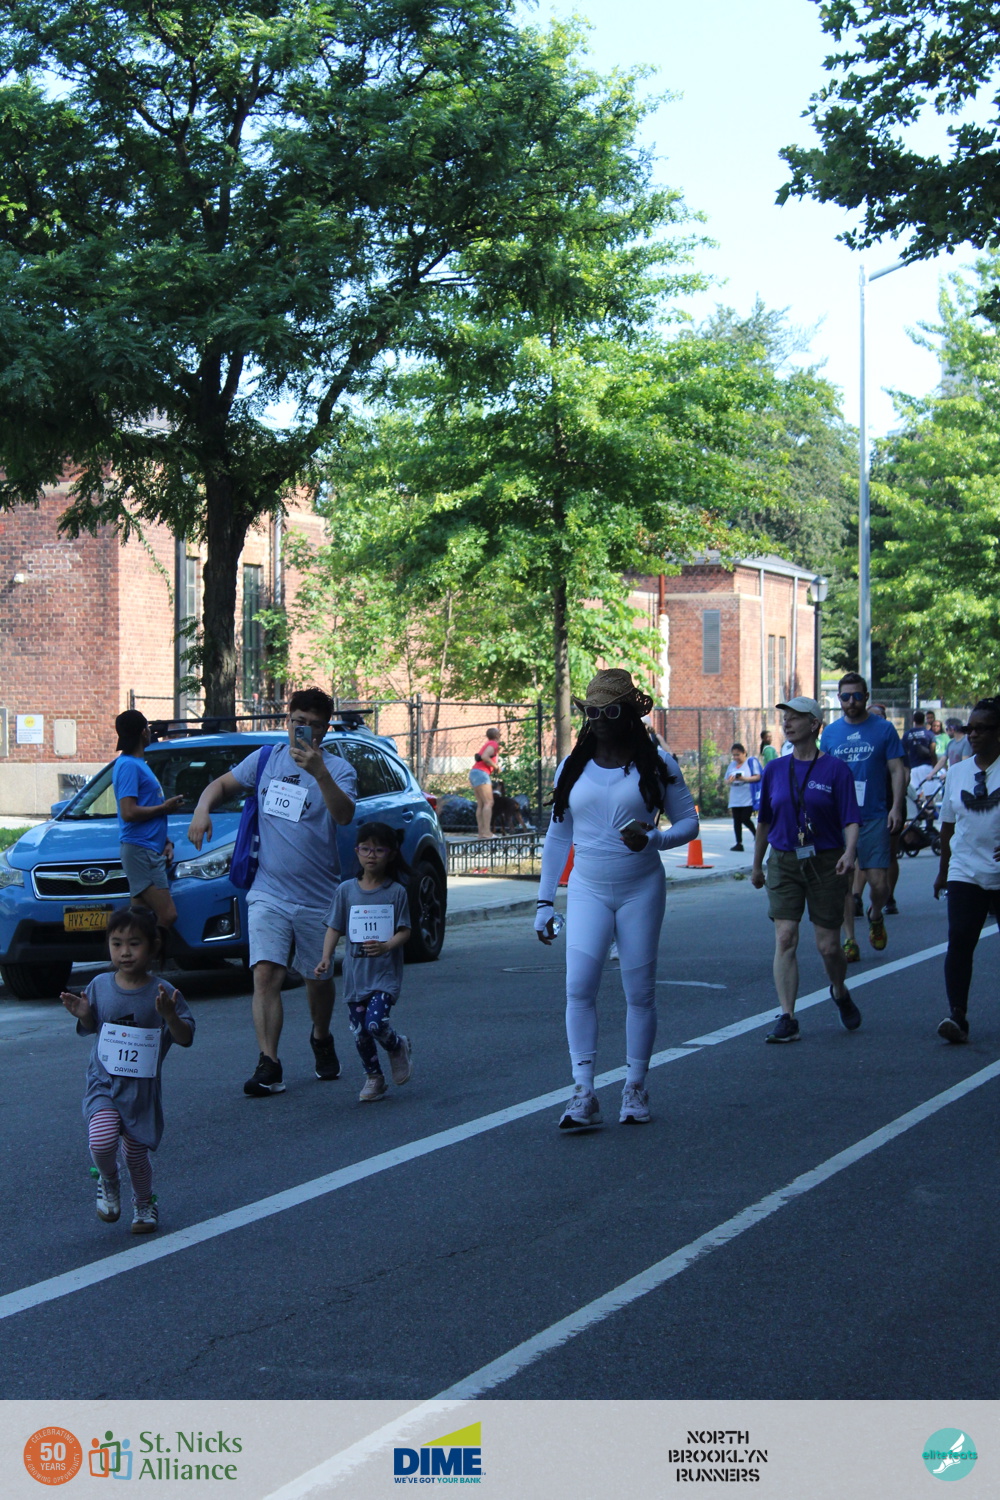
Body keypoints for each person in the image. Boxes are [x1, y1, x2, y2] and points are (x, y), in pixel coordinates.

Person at [534, 670, 698, 1128]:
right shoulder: (572, 766)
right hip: (587, 889)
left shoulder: (657, 763)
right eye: (592, 711)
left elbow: (689, 823)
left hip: (640, 889)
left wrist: (655, 839)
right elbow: (558, 836)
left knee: (639, 992)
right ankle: (583, 1091)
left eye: (610, 711)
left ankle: (635, 1085)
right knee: (578, 987)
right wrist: (544, 903)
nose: (600, 720)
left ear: (629, 714)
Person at [187, 688, 357, 1096]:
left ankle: (320, 1035)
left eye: (313, 725)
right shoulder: (265, 760)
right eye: (298, 722)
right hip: (269, 890)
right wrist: (201, 809)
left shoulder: (339, 769)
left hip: (318, 896)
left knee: (317, 978)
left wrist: (319, 773)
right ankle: (269, 1062)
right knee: (265, 972)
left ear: (325, 730)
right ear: (287, 721)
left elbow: (345, 815)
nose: (304, 730)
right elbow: (220, 785)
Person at [61, 908, 194, 1234]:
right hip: (104, 1082)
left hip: (141, 1091)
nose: (125, 952)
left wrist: (170, 1016)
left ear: (153, 946)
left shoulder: (163, 992)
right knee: (101, 1140)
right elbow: (93, 1025)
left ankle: (144, 1203)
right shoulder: (100, 985)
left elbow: (185, 1037)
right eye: (117, 943)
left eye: (134, 944)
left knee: (135, 1154)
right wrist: (83, 1014)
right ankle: (108, 1179)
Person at [750, 698, 861, 1042]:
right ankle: (788, 1017)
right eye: (785, 718)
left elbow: (851, 818)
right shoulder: (774, 769)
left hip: (827, 862)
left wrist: (850, 853)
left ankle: (839, 989)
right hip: (784, 860)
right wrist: (756, 865)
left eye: (796, 718)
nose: (787, 723)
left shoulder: (836, 770)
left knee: (829, 946)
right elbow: (764, 821)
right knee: (785, 937)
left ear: (814, 724)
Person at [316, 822, 413, 1101]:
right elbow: (334, 927)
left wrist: (386, 946)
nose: (372, 855)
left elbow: (405, 931)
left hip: (384, 974)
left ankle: (396, 1045)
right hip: (355, 975)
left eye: (379, 850)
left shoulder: (396, 892)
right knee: (360, 1031)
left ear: (391, 854)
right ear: (357, 851)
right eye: (366, 849)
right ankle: (374, 1078)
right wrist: (326, 958)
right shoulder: (346, 890)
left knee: (375, 1023)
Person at [820, 673, 906, 960]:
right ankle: (850, 939)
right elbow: (823, 773)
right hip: (839, 819)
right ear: (839, 699)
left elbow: (897, 770)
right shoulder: (831, 733)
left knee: (879, 883)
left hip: (874, 815)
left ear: (866, 697)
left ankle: (876, 913)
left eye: (857, 696)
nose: (851, 702)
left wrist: (896, 807)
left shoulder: (884, 729)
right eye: (845, 697)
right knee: (844, 882)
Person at [932, 696, 1000, 1043]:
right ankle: (957, 1015)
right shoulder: (958, 772)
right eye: (969, 728)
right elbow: (947, 825)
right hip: (965, 869)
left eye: (982, 729)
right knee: (959, 939)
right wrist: (943, 871)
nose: (973, 734)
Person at [112, 709, 185, 931]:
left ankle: (137, 953)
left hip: (148, 849)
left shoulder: (137, 763)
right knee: (167, 915)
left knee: (140, 919)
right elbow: (128, 812)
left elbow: (143, 810)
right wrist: (165, 808)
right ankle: (149, 950)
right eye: (147, 728)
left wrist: (166, 841)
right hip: (140, 851)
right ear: (143, 732)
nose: (150, 732)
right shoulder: (128, 765)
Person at [724, 743, 762, 851]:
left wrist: (744, 779)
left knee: (745, 818)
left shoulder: (750, 762)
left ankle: (757, 834)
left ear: (744, 753)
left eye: (738, 754)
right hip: (735, 797)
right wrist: (730, 780)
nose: (736, 757)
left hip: (748, 796)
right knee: (736, 820)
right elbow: (726, 780)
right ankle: (739, 843)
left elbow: (758, 777)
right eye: (734, 755)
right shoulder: (732, 765)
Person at [469, 728, 500, 838]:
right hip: (481, 773)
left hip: (474, 773)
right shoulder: (493, 744)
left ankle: (481, 833)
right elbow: (485, 757)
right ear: (497, 735)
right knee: (488, 802)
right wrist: (496, 767)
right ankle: (487, 833)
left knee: (481, 804)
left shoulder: (487, 744)